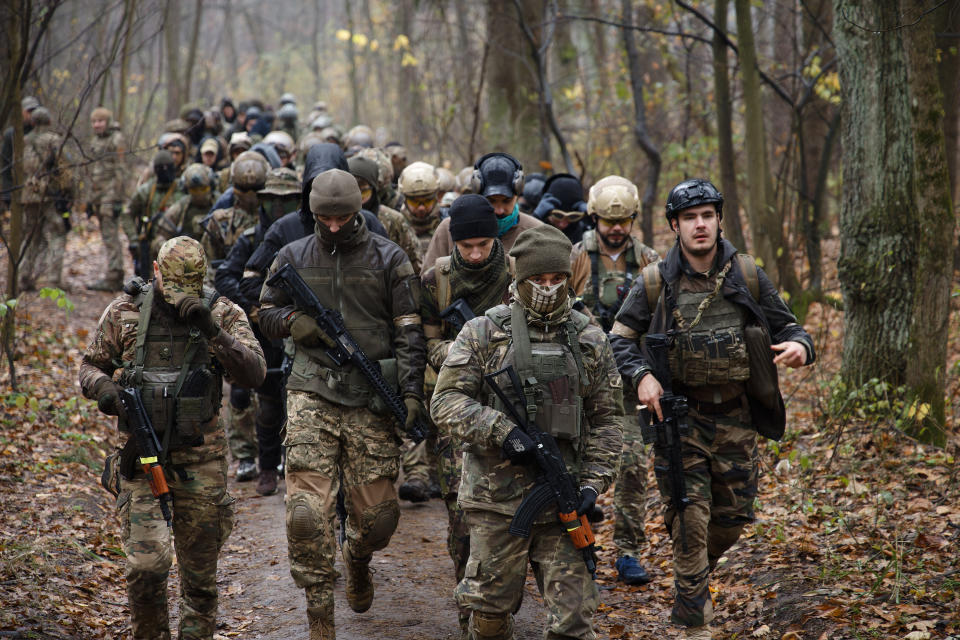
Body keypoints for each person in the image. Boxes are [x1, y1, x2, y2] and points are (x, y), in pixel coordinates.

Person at [609, 178, 815, 639]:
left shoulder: (746, 273)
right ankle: (694, 623)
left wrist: (801, 347)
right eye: (689, 218)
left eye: (706, 215)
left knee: (733, 518)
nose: (699, 225)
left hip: (738, 419)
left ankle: (693, 576)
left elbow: (791, 326)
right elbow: (619, 339)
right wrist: (642, 376)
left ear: (719, 219)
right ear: (674, 226)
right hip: (682, 419)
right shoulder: (655, 281)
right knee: (690, 518)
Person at [431, 224, 623, 640]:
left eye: (557, 280)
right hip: (496, 502)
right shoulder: (483, 332)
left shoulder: (590, 339)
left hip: (563, 503)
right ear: (520, 279)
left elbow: (608, 421)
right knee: (489, 618)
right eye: (539, 279)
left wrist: (592, 484)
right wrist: (502, 431)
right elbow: (445, 403)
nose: (549, 288)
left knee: (575, 623)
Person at [258, 168, 427, 639]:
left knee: (379, 520)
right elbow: (263, 309)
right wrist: (294, 321)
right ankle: (319, 620)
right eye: (324, 218)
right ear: (312, 213)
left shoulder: (390, 258)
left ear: (360, 211)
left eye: (344, 217)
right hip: (311, 390)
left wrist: (412, 393)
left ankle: (357, 557)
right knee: (307, 515)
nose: (334, 227)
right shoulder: (291, 255)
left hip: (371, 397)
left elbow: (410, 332)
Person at [79, 236, 266, 640]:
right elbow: (89, 366)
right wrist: (106, 391)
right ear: (157, 272)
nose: (180, 297)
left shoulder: (223, 312)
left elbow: (254, 375)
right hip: (142, 460)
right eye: (173, 286)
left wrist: (212, 330)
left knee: (200, 580)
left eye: (189, 289)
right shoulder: (125, 312)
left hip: (202, 460)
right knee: (146, 570)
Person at [420, 194, 512, 635]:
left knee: (509, 521)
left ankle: (499, 610)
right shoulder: (435, 281)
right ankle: (470, 617)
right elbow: (423, 342)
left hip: (513, 410)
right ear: (452, 242)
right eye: (466, 246)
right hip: (456, 409)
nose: (475, 254)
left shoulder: (517, 277)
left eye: (483, 245)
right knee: (462, 518)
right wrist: (468, 356)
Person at [570, 175, 660, 585]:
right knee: (572, 469)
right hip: (578, 384)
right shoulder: (576, 257)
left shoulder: (650, 263)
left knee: (632, 469)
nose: (616, 228)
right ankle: (577, 549)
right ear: (595, 219)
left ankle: (628, 552)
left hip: (627, 384)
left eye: (623, 221)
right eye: (608, 221)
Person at [214, 167, 301, 496]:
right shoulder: (252, 239)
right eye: (272, 201)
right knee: (267, 404)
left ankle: (294, 467)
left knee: (301, 404)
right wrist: (251, 307)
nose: (279, 209)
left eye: (288, 201)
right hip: (265, 333)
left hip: (300, 329)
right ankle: (267, 467)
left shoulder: (309, 238)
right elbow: (226, 276)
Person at [201, 151, 269, 482]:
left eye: (257, 189)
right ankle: (244, 454)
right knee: (239, 388)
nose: (251, 196)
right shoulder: (218, 222)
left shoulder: (274, 220)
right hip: (230, 310)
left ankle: (275, 450)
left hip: (267, 311)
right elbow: (205, 269)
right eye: (245, 189)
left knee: (272, 384)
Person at [421, 152, 542, 274]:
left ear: (517, 195)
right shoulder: (449, 229)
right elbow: (427, 281)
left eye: (506, 201)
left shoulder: (537, 232)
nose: (499, 210)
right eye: (491, 201)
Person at [20, 106, 75, 291]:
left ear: (32, 122)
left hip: (27, 195)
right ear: (49, 122)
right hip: (50, 196)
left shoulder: (23, 141)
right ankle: (52, 281)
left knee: (30, 238)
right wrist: (69, 193)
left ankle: (23, 277)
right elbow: (66, 170)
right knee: (57, 234)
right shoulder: (54, 140)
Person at [348, 154, 423, 273]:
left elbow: (414, 263)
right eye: (352, 192)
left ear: (374, 189)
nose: (358, 200)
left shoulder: (393, 220)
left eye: (364, 192)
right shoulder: (336, 220)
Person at [85, 107, 128, 291]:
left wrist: (117, 198)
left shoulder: (116, 139)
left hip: (110, 195)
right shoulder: (95, 141)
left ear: (108, 122)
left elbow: (121, 170)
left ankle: (114, 276)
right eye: (94, 122)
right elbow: (92, 171)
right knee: (106, 234)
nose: (97, 125)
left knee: (111, 235)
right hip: (98, 194)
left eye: (101, 121)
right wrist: (89, 198)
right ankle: (113, 272)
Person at [124, 150, 184, 280]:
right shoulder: (146, 191)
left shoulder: (182, 189)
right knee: (149, 287)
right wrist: (134, 239)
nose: (165, 171)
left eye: (168, 167)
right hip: (150, 250)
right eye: (161, 168)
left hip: (178, 248)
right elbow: (127, 214)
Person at [153, 163, 218, 250]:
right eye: (194, 190)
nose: (199, 194)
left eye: (203, 189)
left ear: (211, 186)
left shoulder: (220, 204)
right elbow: (159, 237)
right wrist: (171, 251)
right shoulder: (180, 207)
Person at [533, 173, 589, 244]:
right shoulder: (537, 224)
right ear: (546, 214)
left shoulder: (582, 231)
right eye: (558, 216)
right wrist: (536, 217)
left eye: (572, 217)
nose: (562, 224)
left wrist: (591, 220)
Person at [398, 161, 442, 249]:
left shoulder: (447, 223)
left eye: (427, 201)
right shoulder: (395, 226)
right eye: (414, 202)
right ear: (405, 200)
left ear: (436, 198)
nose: (421, 208)